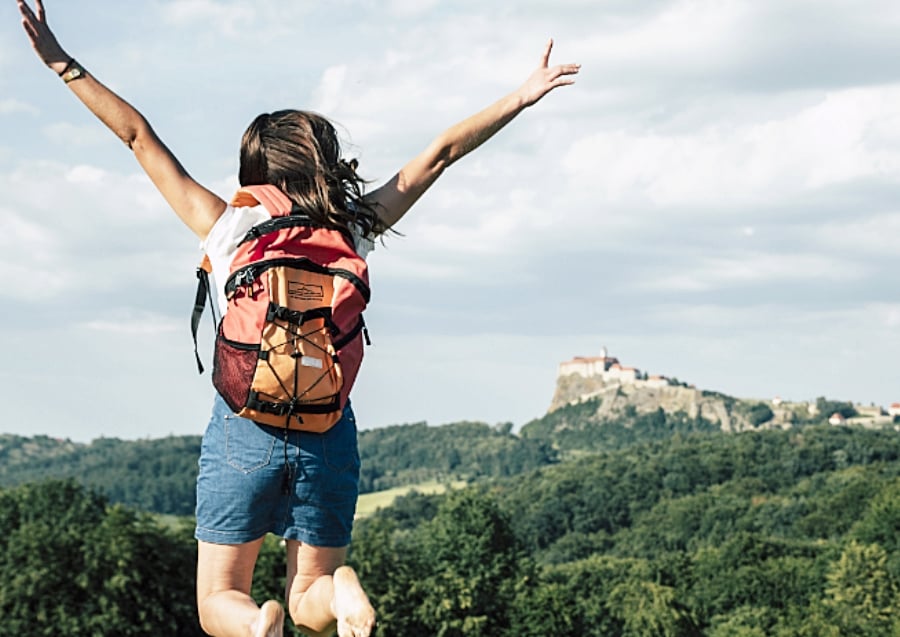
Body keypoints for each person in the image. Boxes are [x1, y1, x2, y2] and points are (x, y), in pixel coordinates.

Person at [16, 1, 580, 636]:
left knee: (217, 601)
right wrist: (523, 95)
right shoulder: (354, 228)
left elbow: (138, 136)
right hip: (327, 428)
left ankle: (257, 625)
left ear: (257, 172)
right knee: (311, 592)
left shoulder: (230, 226)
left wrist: (62, 62)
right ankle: (341, 595)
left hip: (244, 430)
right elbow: (441, 153)